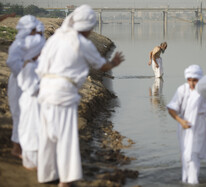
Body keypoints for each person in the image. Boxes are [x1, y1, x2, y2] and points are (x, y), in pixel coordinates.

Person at [35, 5, 124, 187]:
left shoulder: (56, 38)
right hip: (63, 93)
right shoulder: (81, 43)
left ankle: (47, 175)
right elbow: (101, 66)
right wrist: (114, 62)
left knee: (48, 135)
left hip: (44, 90)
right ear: (88, 26)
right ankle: (66, 180)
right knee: (66, 136)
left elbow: (41, 64)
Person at [167, 65, 206, 184]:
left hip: (199, 127)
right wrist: (181, 121)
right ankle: (186, 180)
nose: (192, 83)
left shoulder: (205, 92)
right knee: (185, 156)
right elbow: (171, 108)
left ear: (200, 79)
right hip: (184, 128)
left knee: (193, 156)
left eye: (195, 80)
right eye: (189, 80)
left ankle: (193, 182)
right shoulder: (182, 90)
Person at [6, 15, 39, 158]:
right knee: (19, 115)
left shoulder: (29, 42)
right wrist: (26, 67)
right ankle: (16, 148)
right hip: (19, 82)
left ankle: (24, 147)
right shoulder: (18, 44)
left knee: (27, 115)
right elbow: (12, 63)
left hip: (28, 81)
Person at [17, 34, 45, 170]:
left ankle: (33, 162)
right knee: (33, 130)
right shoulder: (29, 67)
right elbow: (32, 88)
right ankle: (32, 163)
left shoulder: (30, 64)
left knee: (31, 129)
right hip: (32, 102)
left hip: (32, 102)